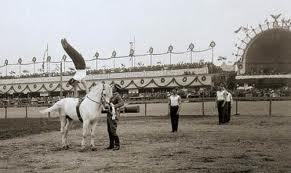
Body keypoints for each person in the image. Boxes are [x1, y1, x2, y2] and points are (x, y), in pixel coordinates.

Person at [106, 83, 124, 151]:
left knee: (113, 130)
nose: (111, 88)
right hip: (109, 114)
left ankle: (117, 145)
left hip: (114, 114)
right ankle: (111, 145)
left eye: (112, 87)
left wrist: (114, 106)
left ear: (116, 89)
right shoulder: (111, 95)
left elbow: (122, 103)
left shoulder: (117, 96)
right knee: (109, 130)